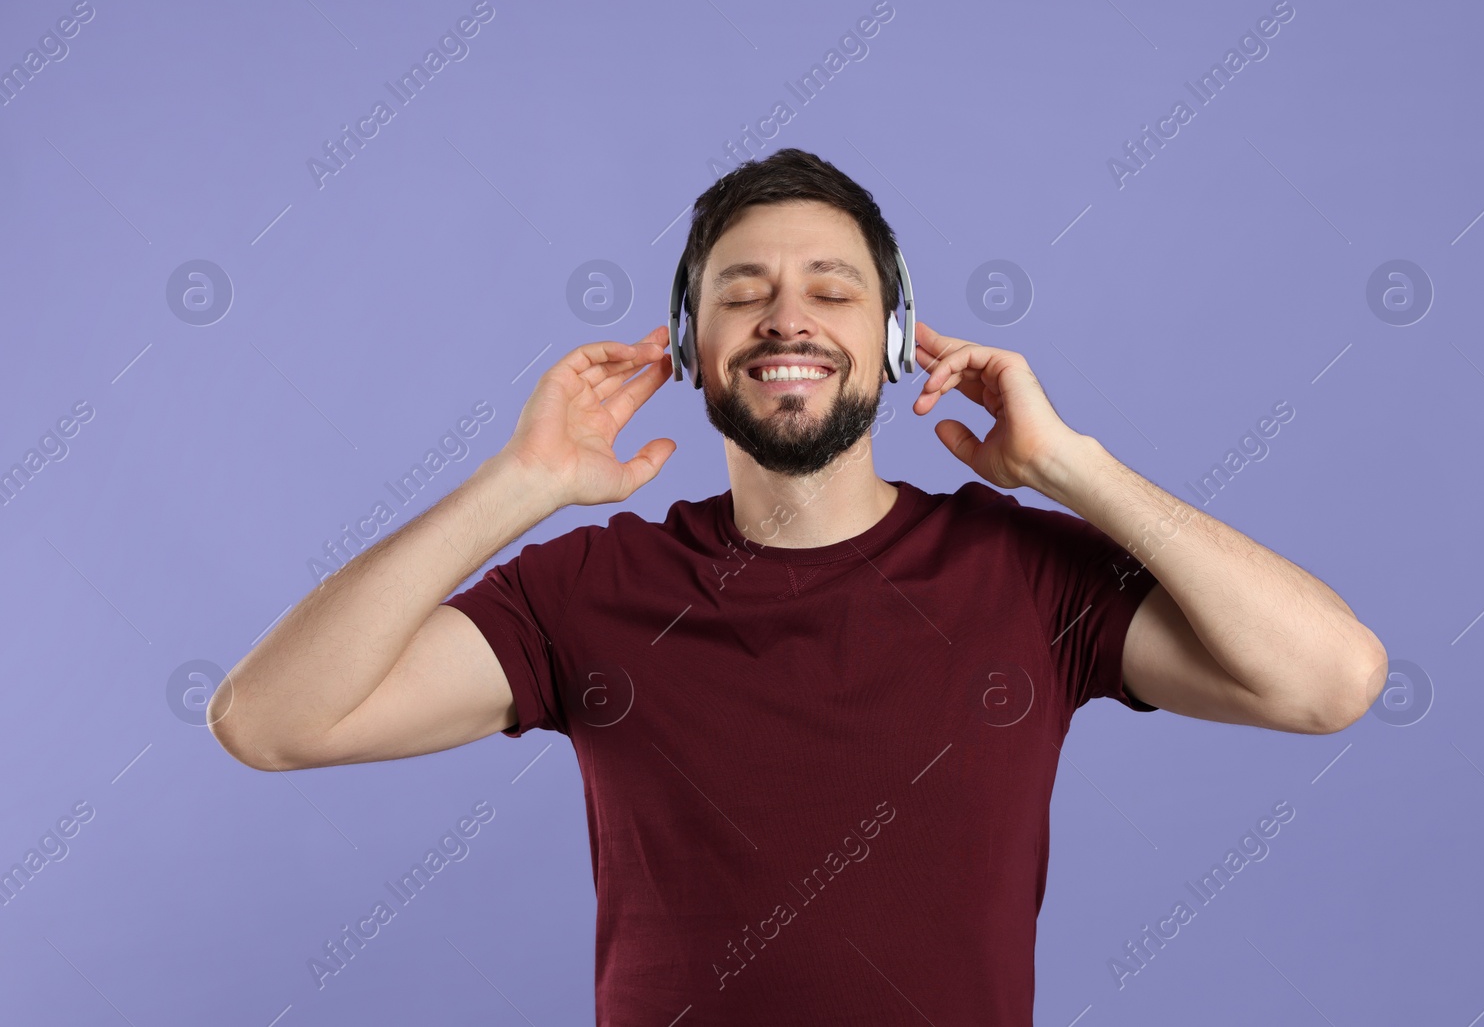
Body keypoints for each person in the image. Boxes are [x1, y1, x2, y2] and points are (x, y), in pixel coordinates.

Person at [210, 148, 1387, 1025]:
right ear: (689, 343)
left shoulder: (1020, 573)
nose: (788, 317)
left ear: (894, 335)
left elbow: (1330, 681)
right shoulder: (590, 590)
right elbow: (269, 720)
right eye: (741, 291)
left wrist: (1070, 467)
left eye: (832, 288)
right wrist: (516, 483)